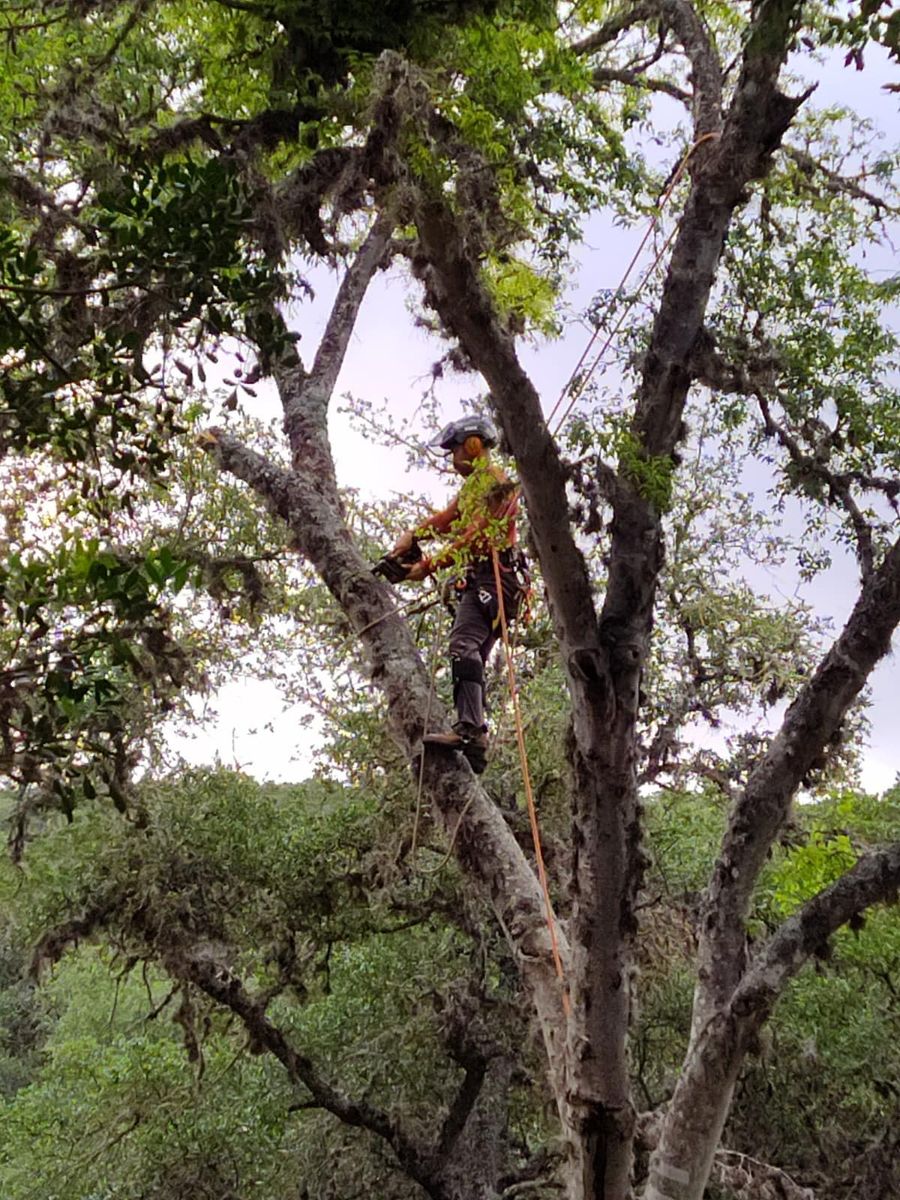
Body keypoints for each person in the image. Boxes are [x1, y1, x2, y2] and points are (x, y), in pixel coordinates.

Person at [390, 415, 526, 773]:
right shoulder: (473, 486)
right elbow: (450, 518)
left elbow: (479, 536)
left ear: (473, 445)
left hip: (495, 578)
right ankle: (474, 736)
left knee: (463, 646)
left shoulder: (498, 484)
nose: (452, 461)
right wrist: (414, 535)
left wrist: (430, 565)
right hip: (484, 578)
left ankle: (469, 731)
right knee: (471, 654)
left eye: (454, 451)